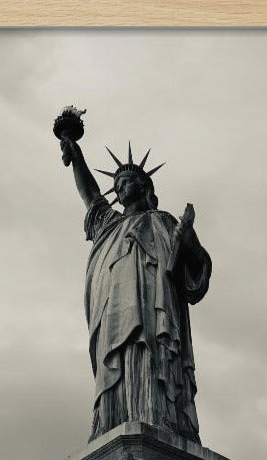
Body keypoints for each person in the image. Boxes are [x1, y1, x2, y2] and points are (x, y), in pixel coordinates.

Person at [59, 136, 211, 443]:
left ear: (143, 186)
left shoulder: (163, 222)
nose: (119, 190)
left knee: (148, 358)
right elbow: (91, 197)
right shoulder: (109, 227)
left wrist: (188, 239)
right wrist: (77, 158)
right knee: (118, 363)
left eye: (125, 183)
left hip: (155, 312)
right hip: (113, 316)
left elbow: (196, 270)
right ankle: (113, 420)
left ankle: (158, 416)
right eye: (116, 187)